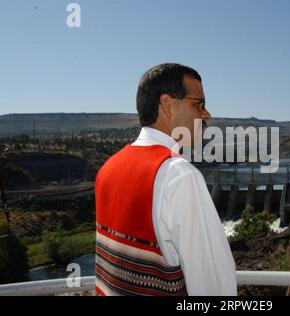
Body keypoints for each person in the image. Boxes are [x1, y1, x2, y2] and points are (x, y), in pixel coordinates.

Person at [95, 63, 237, 296]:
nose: (206, 114)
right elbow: (212, 284)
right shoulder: (179, 175)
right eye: (198, 104)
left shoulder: (108, 168)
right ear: (168, 105)